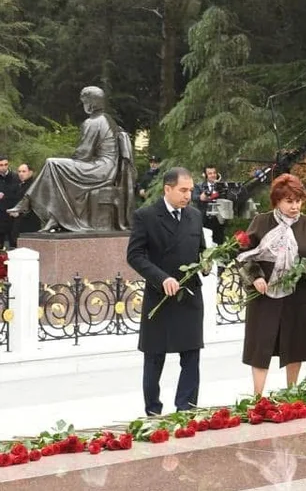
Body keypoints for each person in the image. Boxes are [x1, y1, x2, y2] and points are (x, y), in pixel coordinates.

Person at [127, 167, 204, 416]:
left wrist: (207, 262)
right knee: (154, 356)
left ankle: (186, 409)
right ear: (167, 189)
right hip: (160, 296)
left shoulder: (194, 215)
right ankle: (153, 411)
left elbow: (200, 249)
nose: (188, 195)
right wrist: (162, 279)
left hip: (189, 296)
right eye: (183, 190)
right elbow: (135, 255)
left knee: (191, 354)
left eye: (190, 190)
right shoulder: (146, 216)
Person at [237, 174, 306, 397]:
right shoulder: (261, 221)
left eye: (298, 201)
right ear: (277, 201)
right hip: (264, 292)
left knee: (296, 343)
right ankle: (257, 396)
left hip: (298, 292)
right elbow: (243, 254)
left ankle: (292, 392)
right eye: (289, 201)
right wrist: (255, 277)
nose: (295, 206)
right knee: (261, 343)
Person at [7, 86, 136, 231]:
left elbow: (84, 154)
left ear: (91, 103)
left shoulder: (93, 122)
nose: (84, 106)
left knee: (53, 164)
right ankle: (53, 217)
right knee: (56, 168)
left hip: (101, 168)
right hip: (106, 168)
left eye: (85, 102)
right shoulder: (107, 119)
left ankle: (29, 203)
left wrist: (70, 162)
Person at [193, 166, 227, 244]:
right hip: (205, 219)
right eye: (210, 173)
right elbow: (194, 197)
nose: (213, 175)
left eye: (214, 173)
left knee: (219, 242)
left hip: (219, 218)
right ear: (205, 175)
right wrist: (201, 197)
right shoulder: (199, 186)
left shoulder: (223, 186)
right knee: (206, 242)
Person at [10, 163, 39, 237]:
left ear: (30, 172)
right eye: (19, 171)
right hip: (18, 220)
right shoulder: (19, 185)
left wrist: (19, 211)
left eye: (23, 171)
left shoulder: (34, 186)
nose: (21, 174)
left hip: (30, 222)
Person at [0, 157, 18, 248]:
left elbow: (19, 194)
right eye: (1, 165)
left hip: (12, 216)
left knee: (13, 244)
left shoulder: (15, 177)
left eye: (5, 165)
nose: (4, 167)